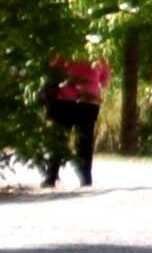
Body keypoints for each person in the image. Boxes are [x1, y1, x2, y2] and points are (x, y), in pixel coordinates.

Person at [39, 47, 108, 189]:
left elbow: (51, 75)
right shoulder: (99, 55)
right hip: (89, 101)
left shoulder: (62, 52)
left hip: (64, 100)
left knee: (58, 138)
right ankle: (85, 177)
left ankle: (51, 176)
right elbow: (104, 80)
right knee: (85, 140)